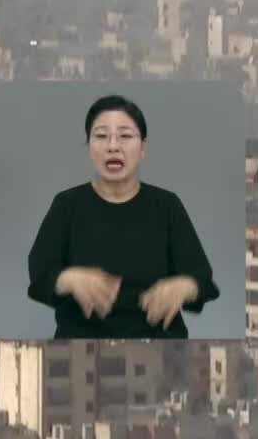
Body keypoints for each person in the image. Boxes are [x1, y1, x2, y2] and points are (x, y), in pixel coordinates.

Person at [26, 94, 220, 339]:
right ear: (88, 148)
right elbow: (39, 272)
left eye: (125, 136)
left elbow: (202, 278)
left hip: (160, 349)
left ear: (143, 149)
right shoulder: (67, 205)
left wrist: (184, 287)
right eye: (101, 136)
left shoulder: (167, 206)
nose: (113, 146)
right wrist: (69, 279)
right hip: (82, 345)